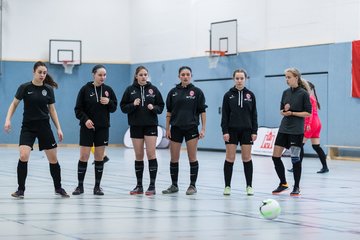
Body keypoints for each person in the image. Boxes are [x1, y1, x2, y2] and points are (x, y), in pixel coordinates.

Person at [3, 61, 69, 198]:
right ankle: (21, 189)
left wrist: (59, 128)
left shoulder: (49, 89)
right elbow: (14, 104)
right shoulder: (25, 87)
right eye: (40, 72)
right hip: (28, 127)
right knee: (23, 155)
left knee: (53, 159)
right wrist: (8, 119)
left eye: (44, 73)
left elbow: (52, 110)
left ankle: (58, 188)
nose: (42, 75)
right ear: (34, 72)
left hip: (44, 127)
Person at [73, 64, 118, 196]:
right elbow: (78, 109)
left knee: (99, 157)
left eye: (104, 75)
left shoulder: (108, 90)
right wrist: (85, 120)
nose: (102, 77)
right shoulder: (85, 90)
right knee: (84, 156)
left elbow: (114, 107)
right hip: (87, 128)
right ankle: (80, 186)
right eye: (100, 75)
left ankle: (97, 187)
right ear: (94, 75)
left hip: (102, 128)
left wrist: (109, 102)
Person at [162, 66, 207, 195]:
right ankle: (174, 185)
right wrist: (167, 128)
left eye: (188, 74)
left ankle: (192, 185)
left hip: (191, 128)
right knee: (174, 158)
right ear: (179, 76)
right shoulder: (173, 92)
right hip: (176, 128)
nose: (185, 76)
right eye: (183, 74)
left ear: (191, 76)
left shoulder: (197, 92)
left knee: (192, 157)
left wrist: (203, 128)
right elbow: (169, 112)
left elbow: (202, 111)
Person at [120, 66, 164, 196]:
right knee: (138, 156)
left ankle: (152, 186)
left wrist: (153, 108)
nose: (144, 77)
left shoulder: (153, 90)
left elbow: (161, 106)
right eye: (141, 75)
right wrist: (133, 105)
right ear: (136, 76)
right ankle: (139, 186)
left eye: (145, 74)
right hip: (136, 126)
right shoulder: (130, 90)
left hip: (150, 126)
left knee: (151, 154)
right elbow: (123, 107)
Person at [271, 68, 311, 197]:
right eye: (285, 77)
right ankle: (283, 183)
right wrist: (284, 111)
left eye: (289, 77)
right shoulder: (285, 93)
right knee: (275, 156)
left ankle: (297, 186)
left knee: (295, 159)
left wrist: (292, 112)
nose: (286, 79)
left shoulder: (303, 94)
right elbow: (281, 110)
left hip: (296, 130)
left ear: (296, 78)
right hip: (284, 129)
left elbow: (308, 113)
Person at [221, 69, 258, 196]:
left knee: (246, 158)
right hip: (231, 131)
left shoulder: (250, 95)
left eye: (241, 78)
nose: (239, 80)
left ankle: (249, 186)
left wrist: (254, 131)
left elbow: (254, 115)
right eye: (237, 78)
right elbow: (224, 115)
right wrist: (225, 131)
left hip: (247, 131)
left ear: (245, 79)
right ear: (233, 79)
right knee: (230, 158)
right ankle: (227, 186)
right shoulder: (228, 95)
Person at [288, 81, 329, 173]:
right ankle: (325, 167)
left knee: (299, 145)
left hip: (311, 123)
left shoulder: (307, 97)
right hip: (317, 122)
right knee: (316, 146)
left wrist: (308, 124)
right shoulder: (312, 97)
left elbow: (309, 113)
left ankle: (296, 167)